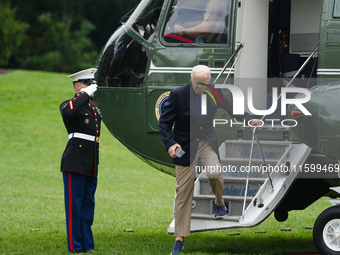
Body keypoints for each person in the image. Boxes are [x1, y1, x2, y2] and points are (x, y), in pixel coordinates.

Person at [158, 65, 260, 254]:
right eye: (198, 83)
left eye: (204, 83)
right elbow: (164, 123)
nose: (201, 86)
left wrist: (249, 119)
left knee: (215, 174)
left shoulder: (214, 91)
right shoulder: (178, 94)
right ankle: (179, 238)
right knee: (184, 192)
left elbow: (231, 108)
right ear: (191, 79)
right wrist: (171, 144)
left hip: (205, 142)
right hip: (185, 145)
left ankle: (219, 204)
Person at [60, 68, 102, 253]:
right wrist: (84, 94)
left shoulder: (93, 108)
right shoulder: (69, 105)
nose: (92, 88)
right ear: (78, 86)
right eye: (87, 84)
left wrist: (88, 95)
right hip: (75, 161)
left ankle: (88, 245)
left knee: (87, 206)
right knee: (74, 207)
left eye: (93, 84)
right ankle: (75, 247)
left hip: (91, 161)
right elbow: (69, 113)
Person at [164, 0, 228, 43]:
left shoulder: (216, 2)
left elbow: (206, 27)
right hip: (207, 40)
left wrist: (183, 31)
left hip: (204, 43)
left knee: (165, 34)